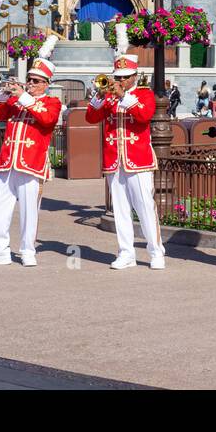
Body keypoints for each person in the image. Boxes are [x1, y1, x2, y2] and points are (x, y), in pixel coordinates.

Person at [0, 35, 62, 267]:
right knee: (0, 208)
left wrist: (22, 96)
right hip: (8, 161)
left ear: (45, 83)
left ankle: (27, 251)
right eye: (29, 80)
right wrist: (4, 92)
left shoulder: (52, 102)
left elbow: (46, 119)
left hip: (31, 163)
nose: (30, 84)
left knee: (29, 210)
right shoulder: (17, 100)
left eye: (35, 81)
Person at [85, 26, 165, 270]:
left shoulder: (144, 94)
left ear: (134, 76)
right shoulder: (108, 96)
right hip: (114, 160)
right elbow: (90, 118)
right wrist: (99, 95)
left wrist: (123, 97)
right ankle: (126, 252)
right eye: (117, 76)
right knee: (120, 210)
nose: (119, 80)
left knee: (144, 207)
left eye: (124, 77)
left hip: (138, 160)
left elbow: (144, 116)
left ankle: (156, 252)